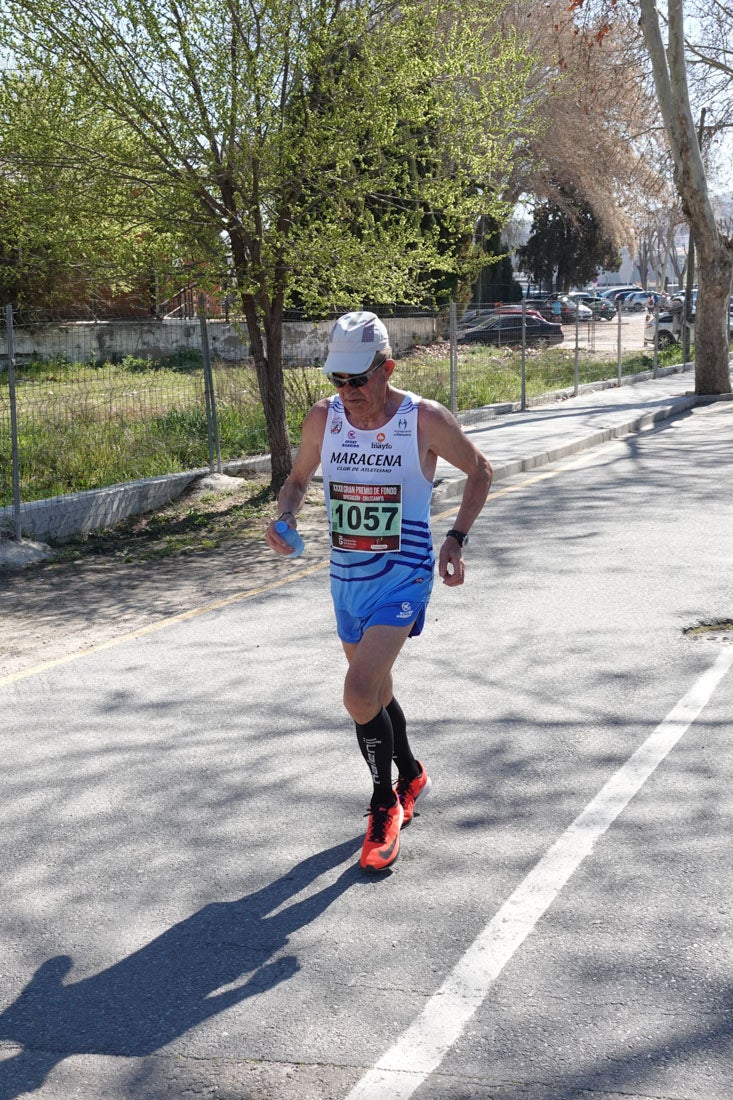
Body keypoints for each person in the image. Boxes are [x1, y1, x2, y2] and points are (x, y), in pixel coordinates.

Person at [265, 311, 492, 873]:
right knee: (377, 693)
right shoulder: (325, 419)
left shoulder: (423, 421)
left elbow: (481, 470)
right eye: (337, 381)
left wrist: (456, 539)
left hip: (405, 575)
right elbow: (295, 481)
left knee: (359, 692)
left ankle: (383, 803)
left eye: (358, 381)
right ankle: (411, 774)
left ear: (386, 369)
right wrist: (285, 518)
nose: (348, 393)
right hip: (347, 579)